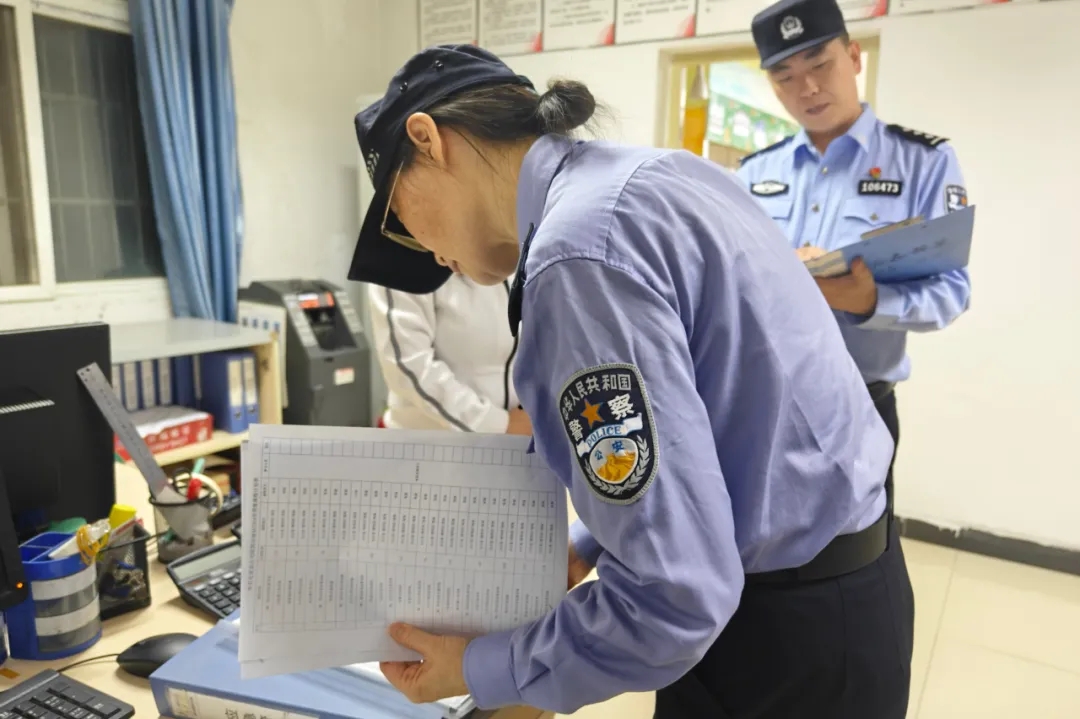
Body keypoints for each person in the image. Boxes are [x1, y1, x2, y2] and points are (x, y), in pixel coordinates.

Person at [345, 44, 913, 718]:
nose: (430, 254)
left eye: (402, 220)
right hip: (851, 595)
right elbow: (715, 418)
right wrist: (591, 540)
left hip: (780, 645)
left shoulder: (575, 257)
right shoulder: (656, 174)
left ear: (427, 139)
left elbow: (675, 597)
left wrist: (475, 667)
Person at [736, 0, 972, 511]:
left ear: (854, 57)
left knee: (860, 550)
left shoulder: (923, 162)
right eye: (785, 76)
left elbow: (951, 293)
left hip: (860, 405)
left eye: (820, 64)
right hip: (763, 405)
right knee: (756, 545)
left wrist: (868, 301)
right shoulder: (753, 173)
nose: (807, 88)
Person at [367, 274, 531, 435]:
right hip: (431, 440)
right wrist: (499, 425)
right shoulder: (400, 265)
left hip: (520, 434)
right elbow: (409, 366)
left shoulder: (526, 263)